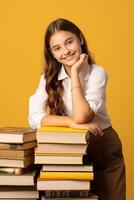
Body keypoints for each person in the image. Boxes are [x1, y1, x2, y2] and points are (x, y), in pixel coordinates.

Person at [28, 18, 126, 200]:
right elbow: (34, 117)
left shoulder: (97, 73)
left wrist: (74, 73)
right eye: (57, 48)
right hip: (68, 147)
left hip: (102, 145)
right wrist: (71, 123)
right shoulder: (48, 78)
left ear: (80, 39)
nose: (65, 51)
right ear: (52, 53)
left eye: (69, 42)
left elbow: (82, 116)